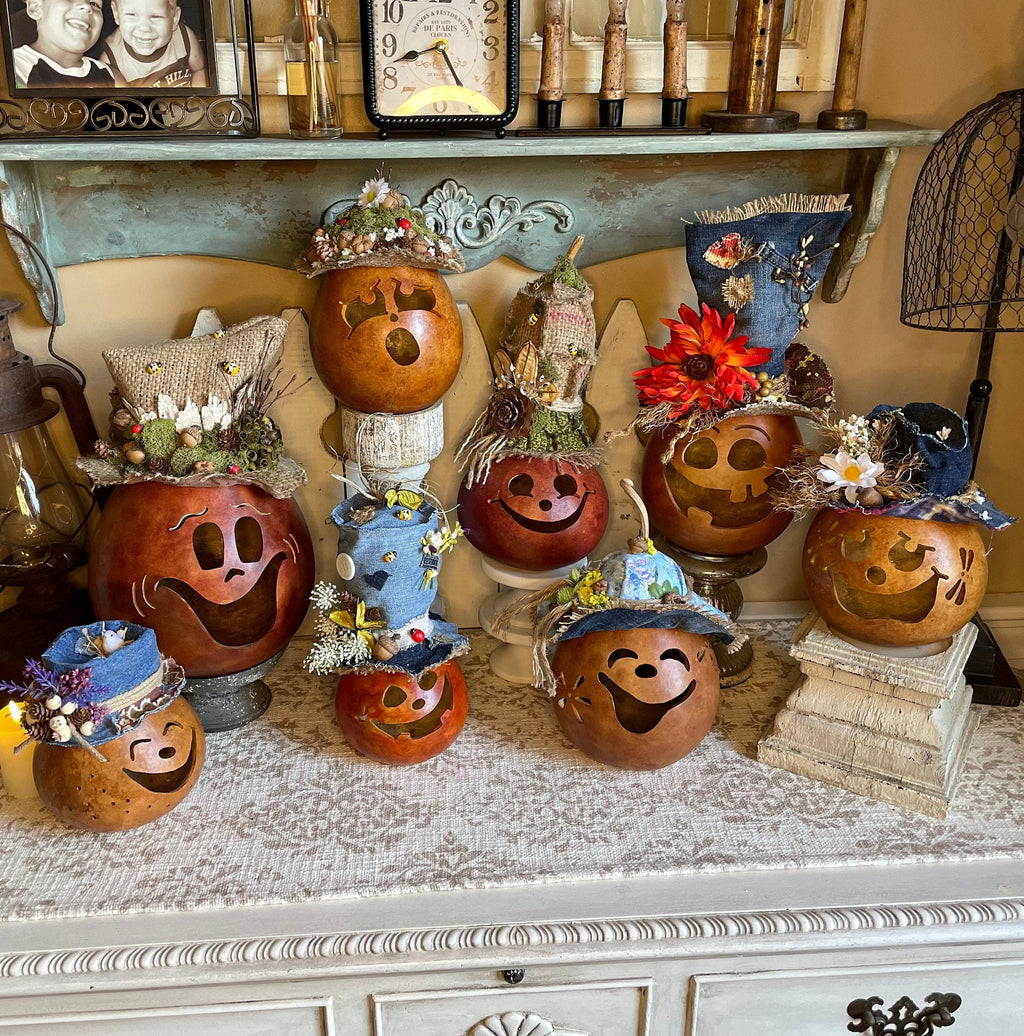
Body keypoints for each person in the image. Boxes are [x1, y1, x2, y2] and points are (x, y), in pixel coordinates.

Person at [99, 0, 208, 89]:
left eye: (156, 16)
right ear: (116, 13)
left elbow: (200, 70)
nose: (144, 28)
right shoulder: (110, 61)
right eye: (131, 15)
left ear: (174, 17)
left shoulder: (184, 36)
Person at [12, 0, 115, 88]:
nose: (87, 6)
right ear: (35, 7)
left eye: (94, 4)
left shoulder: (110, 76)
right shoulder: (15, 69)